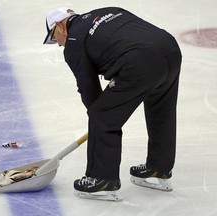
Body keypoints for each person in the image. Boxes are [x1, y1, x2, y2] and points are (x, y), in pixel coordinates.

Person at [43, 7, 182, 201]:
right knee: (161, 110)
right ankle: (158, 168)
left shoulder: (74, 41)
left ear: (60, 26)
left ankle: (101, 179)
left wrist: (100, 120)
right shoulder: (109, 11)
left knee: (102, 114)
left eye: (53, 38)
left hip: (138, 62)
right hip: (170, 50)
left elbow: (88, 89)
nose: (57, 45)